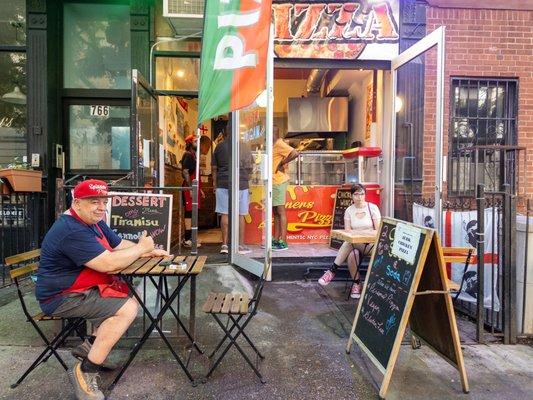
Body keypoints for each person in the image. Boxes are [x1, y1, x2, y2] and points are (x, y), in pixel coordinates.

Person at [36, 179, 167, 400]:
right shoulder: (70, 229)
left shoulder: (93, 221)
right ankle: (85, 372)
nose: (101, 207)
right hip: (61, 297)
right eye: (93, 201)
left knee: (121, 297)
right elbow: (109, 264)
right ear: (77, 204)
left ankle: (90, 348)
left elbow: (117, 245)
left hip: (80, 289)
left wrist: (145, 251)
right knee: (127, 308)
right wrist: (142, 248)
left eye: (103, 201)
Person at [318, 183, 381, 298]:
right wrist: (356, 235)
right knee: (352, 254)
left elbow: (378, 231)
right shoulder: (349, 211)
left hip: (372, 245)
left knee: (349, 243)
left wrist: (360, 234)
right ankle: (357, 284)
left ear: (365, 195)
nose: (359, 197)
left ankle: (332, 270)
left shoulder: (372, 208)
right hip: (355, 244)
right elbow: (348, 233)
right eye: (356, 194)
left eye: (362, 194)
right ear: (351, 196)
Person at [212, 125, 254, 254]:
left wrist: (215, 184)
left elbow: (214, 168)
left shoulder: (219, 147)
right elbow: (250, 168)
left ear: (225, 133)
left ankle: (224, 245)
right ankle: (240, 245)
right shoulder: (245, 147)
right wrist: (248, 181)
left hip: (223, 182)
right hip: (241, 183)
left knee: (225, 213)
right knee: (241, 214)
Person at [272, 126, 299, 251]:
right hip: (273, 181)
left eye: (271, 132)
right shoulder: (272, 144)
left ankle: (283, 240)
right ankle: (276, 239)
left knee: (280, 211)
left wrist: (282, 163)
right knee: (275, 212)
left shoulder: (279, 143)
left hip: (279, 181)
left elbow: (295, 153)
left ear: (275, 133)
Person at [181, 134, 202, 248]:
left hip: (194, 187)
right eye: (195, 141)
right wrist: (190, 188)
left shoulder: (193, 156)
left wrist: (200, 190)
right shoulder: (188, 155)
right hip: (189, 188)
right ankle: (187, 239)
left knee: (193, 212)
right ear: (189, 143)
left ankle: (191, 238)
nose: (197, 143)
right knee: (189, 213)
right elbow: (185, 172)